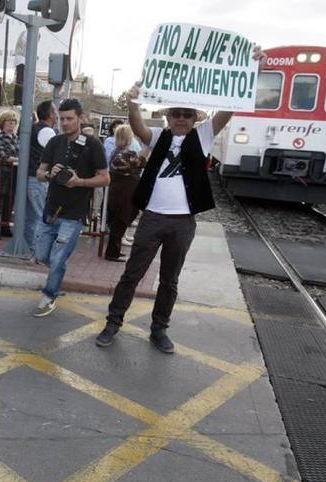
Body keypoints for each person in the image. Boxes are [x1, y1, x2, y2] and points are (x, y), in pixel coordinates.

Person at [95, 46, 265, 351]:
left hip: (183, 222)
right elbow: (136, 125)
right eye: (176, 113)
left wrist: (252, 72)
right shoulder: (158, 137)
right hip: (152, 218)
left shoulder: (204, 136)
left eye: (187, 114)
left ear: (194, 117)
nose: (182, 118)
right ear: (168, 116)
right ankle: (113, 323)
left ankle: (159, 329)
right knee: (132, 274)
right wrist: (132, 101)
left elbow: (228, 110)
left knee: (169, 281)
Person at [32, 98, 109, 317]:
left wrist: (79, 182)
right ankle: (57, 274)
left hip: (74, 214)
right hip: (50, 210)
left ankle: (49, 296)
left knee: (57, 259)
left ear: (80, 118)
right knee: (41, 254)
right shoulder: (55, 142)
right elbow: (39, 173)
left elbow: (105, 179)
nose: (64, 123)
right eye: (61, 118)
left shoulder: (93, 145)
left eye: (69, 119)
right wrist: (49, 174)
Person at [104, 124, 145, 262]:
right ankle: (112, 253)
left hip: (116, 191)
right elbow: (143, 162)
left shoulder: (115, 152)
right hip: (126, 193)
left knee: (117, 221)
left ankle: (114, 250)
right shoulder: (128, 154)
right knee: (121, 221)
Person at [25, 101, 57, 252]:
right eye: (55, 111)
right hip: (38, 178)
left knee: (31, 216)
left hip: (30, 176)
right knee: (39, 216)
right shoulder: (47, 131)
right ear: (50, 114)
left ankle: (31, 246)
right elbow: (51, 155)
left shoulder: (35, 128)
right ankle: (38, 249)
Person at [0, 109, 19, 240]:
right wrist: (18, 159)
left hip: (13, 173)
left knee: (10, 201)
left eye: (14, 121)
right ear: (3, 123)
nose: (12, 124)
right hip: (2, 173)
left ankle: (5, 228)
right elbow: (2, 156)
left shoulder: (16, 137)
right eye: (9, 121)